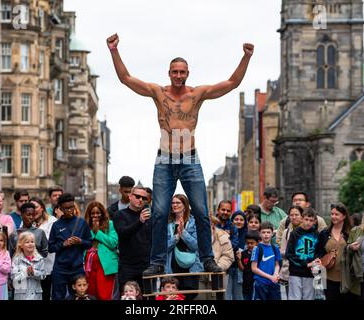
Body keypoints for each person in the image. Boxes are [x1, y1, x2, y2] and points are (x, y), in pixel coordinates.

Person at [107, 33, 254, 276]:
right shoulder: (158, 92)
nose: (178, 76)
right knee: (159, 212)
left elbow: (231, 83)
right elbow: (125, 78)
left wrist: (245, 57)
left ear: (187, 73)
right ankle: (156, 261)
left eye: (182, 72)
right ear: (169, 73)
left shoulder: (196, 94)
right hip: (164, 158)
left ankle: (207, 258)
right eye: (174, 72)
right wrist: (114, 50)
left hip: (189, 158)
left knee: (200, 210)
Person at [48, 193, 92, 300]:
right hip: (60, 269)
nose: (69, 210)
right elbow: (50, 247)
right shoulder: (56, 225)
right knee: (58, 297)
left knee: (78, 297)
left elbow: (89, 243)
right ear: (60, 208)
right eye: (66, 208)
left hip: (77, 268)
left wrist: (80, 241)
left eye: (71, 207)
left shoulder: (81, 222)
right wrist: (63, 244)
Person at [113, 186, 152, 293]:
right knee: (127, 296)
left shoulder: (149, 217)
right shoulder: (119, 215)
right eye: (138, 196)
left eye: (144, 198)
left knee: (148, 296)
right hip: (127, 266)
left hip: (146, 265)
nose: (140, 200)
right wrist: (140, 221)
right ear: (130, 196)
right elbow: (123, 234)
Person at [166, 194, 202, 300]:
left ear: (185, 205)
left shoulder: (194, 222)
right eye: (173, 203)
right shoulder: (167, 223)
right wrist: (176, 237)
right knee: (174, 295)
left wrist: (183, 233)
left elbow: (195, 246)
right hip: (172, 265)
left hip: (191, 266)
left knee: (190, 293)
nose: (174, 205)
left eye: (178, 203)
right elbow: (164, 247)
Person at [286, 208, 324, 300]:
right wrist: (306, 264)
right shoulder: (294, 233)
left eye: (311, 220)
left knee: (309, 297)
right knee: (295, 297)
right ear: (302, 219)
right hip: (295, 272)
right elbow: (289, 254)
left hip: (310, 273)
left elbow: (319, 251)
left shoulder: (317, 234)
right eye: (306, 219)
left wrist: (316, 260)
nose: (308, 222)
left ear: (315, 221)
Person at [83, 201, 118, 300]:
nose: (95, 215)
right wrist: (92, 230)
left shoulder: (110, 224)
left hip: (105, 266)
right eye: (92, 213)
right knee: (91, 294)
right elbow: (85, 243)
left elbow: (113, 243)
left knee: (104, 295)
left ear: (102, 213)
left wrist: (97, 231)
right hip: (89, 266)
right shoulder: (85, 226)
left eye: (98, 213)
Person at [318, 203, 352, 300]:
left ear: (344, 216)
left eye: (336, 214)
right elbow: (319, 251)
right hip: (328, 277)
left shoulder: (350, 232)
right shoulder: (324, 233)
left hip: (346, 277)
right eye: (332, 214)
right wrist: (318, 260)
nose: (333, 216)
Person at [197, 215, 234, 300]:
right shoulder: (195, 233)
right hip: (199, 273)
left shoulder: (223, 236)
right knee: (199, 298)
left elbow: (228, 256)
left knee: (214, 298)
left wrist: (217, 267)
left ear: (213, 224)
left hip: (216, 275)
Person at [31, 196, 58, 300]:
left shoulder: (52, 221)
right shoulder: (28, 221)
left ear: (42, 207)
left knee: (46, 295)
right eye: (31, 208)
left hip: (48, 267)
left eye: (36, 207)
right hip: (32, 268)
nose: (33, 210)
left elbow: (49, 243)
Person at [251, 222, 282, 300]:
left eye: (268, 232)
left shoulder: (275, 248)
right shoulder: (257, 248)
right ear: (259, 234)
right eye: (263, 232)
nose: (266, 234)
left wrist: (275, 274)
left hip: (273, 284)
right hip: (261, 283)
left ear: (272, 233)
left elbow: (277, 264)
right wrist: (270, 277)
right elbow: (254, 268)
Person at [11, 231, 46, 300]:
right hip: (21, 295)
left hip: (36, 295)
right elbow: (13, 276)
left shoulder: (39, 259)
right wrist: (25, 272)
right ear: (21, 245)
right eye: (27, 242)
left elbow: (43, 275)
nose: (30, 244)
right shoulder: (16, 259)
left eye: (32, 242)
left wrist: (34, 272)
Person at [279, 205, 304, 299]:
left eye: (296, 214)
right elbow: (282, 252)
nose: (294, 217)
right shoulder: (286, 232)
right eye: (291, 215)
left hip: (305, 271)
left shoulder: (308, 231)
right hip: (289, 271)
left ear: (302, 216)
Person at [226, 210, 246, 300]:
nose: (238, 221)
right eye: (236, 219)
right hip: (227, 267)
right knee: (226, 295)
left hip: (240, 269)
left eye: (241, 220)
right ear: (232, 221)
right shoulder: (227, 232)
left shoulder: (247, 234)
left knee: (238, 296)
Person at [238, 230, 260, 300]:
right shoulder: (243, 254)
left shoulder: (260, 253)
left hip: (256, 283)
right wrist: (238, 260)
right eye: (248, 243)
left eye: (252, 243)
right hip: (246, 284)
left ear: (257, 243)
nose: (250, 245)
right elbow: (242, 269)